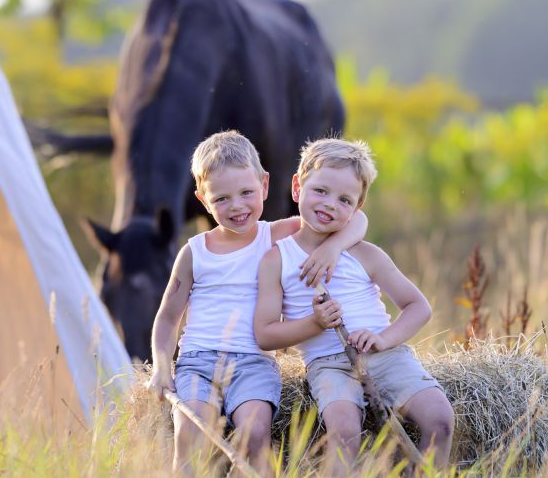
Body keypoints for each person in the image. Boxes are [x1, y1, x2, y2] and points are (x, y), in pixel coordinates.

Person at [145, 131, 367, 475]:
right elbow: (166, 318)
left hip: (253, 364)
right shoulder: (194, 252)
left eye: (246, 193)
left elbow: (357, 219)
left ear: (264, 185)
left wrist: (332, 248)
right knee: (190, 431)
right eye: (221, 199)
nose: (236, 206)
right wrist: (161, 366)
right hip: (197, 362)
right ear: (202, 199)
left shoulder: (276, 234)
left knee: (256, 431)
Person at [254, 137, 455, 473]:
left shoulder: (365, 254)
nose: (330, 204)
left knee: (441, 418)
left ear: (357, 209)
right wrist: (314, 323)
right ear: (296, 186)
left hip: (386, 357)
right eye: (320, 191)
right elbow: (265, 334)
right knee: (345, 430)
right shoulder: (278, 259)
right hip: (328, 365)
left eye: (344, 199)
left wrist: (384, 339)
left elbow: (418, 306)